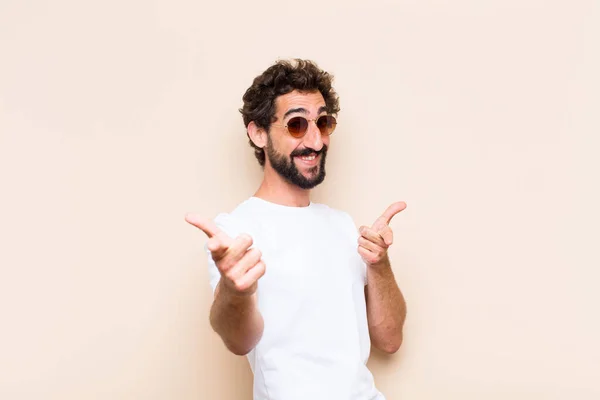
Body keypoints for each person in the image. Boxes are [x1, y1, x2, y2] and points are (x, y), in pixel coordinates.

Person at [185, 59, 407, 400]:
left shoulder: (343, 225)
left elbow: (390, 340)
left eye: (323, 122)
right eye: (296, 124)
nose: (316, 141)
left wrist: (380, 265)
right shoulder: (235, 231)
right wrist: (235, 290)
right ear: (258, 133)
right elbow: (238, 340)